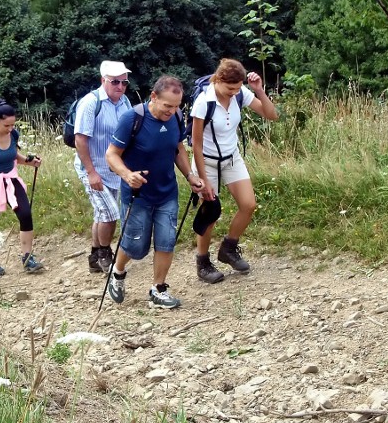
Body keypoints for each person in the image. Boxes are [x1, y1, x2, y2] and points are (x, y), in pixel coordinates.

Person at [105, 76, 205, 309]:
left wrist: (190, 176)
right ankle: (118, 272)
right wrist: (127, 175)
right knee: (135, 246)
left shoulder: (177, 118)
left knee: (166, 241)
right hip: (137, 194)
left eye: (176, 106)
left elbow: (178, 148)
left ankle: (158, 288)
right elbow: (111, 155)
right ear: (154, 97)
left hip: (167, 191)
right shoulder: (133, 118)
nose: (172, 110)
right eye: (167, 105)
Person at [190, 59, 278, 283]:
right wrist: (203, 180)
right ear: (218, 80)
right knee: (209, 213)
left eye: (238, 88)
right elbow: (196, 145)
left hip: (231, 158)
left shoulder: (240, 93)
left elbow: (271, 115)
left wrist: (258, 90)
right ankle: (203, 262)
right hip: (206, 162)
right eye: (230, 88)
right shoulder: (203, 102)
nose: (234, 93)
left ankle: (228, 248)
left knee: (249, 205)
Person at [0, 99, 44, 276]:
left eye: (13, 124)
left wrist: (29, 161)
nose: (11, 128)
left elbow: (13, 156)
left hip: (11, 182)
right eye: (7, 125)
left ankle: (27, 257)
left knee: (25, 214)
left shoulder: (14, 135)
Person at [74, 60, 134, 274]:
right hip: (93, 167)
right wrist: (91, 173)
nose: (120, 86)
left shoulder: (125, 102)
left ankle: (93, 257)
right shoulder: (91, 103)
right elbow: (80, 139)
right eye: (115, 82)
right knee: (109, 213)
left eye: (124, 82)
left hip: (114, 169)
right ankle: (104, 253)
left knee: (101, 213)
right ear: (103, 81)